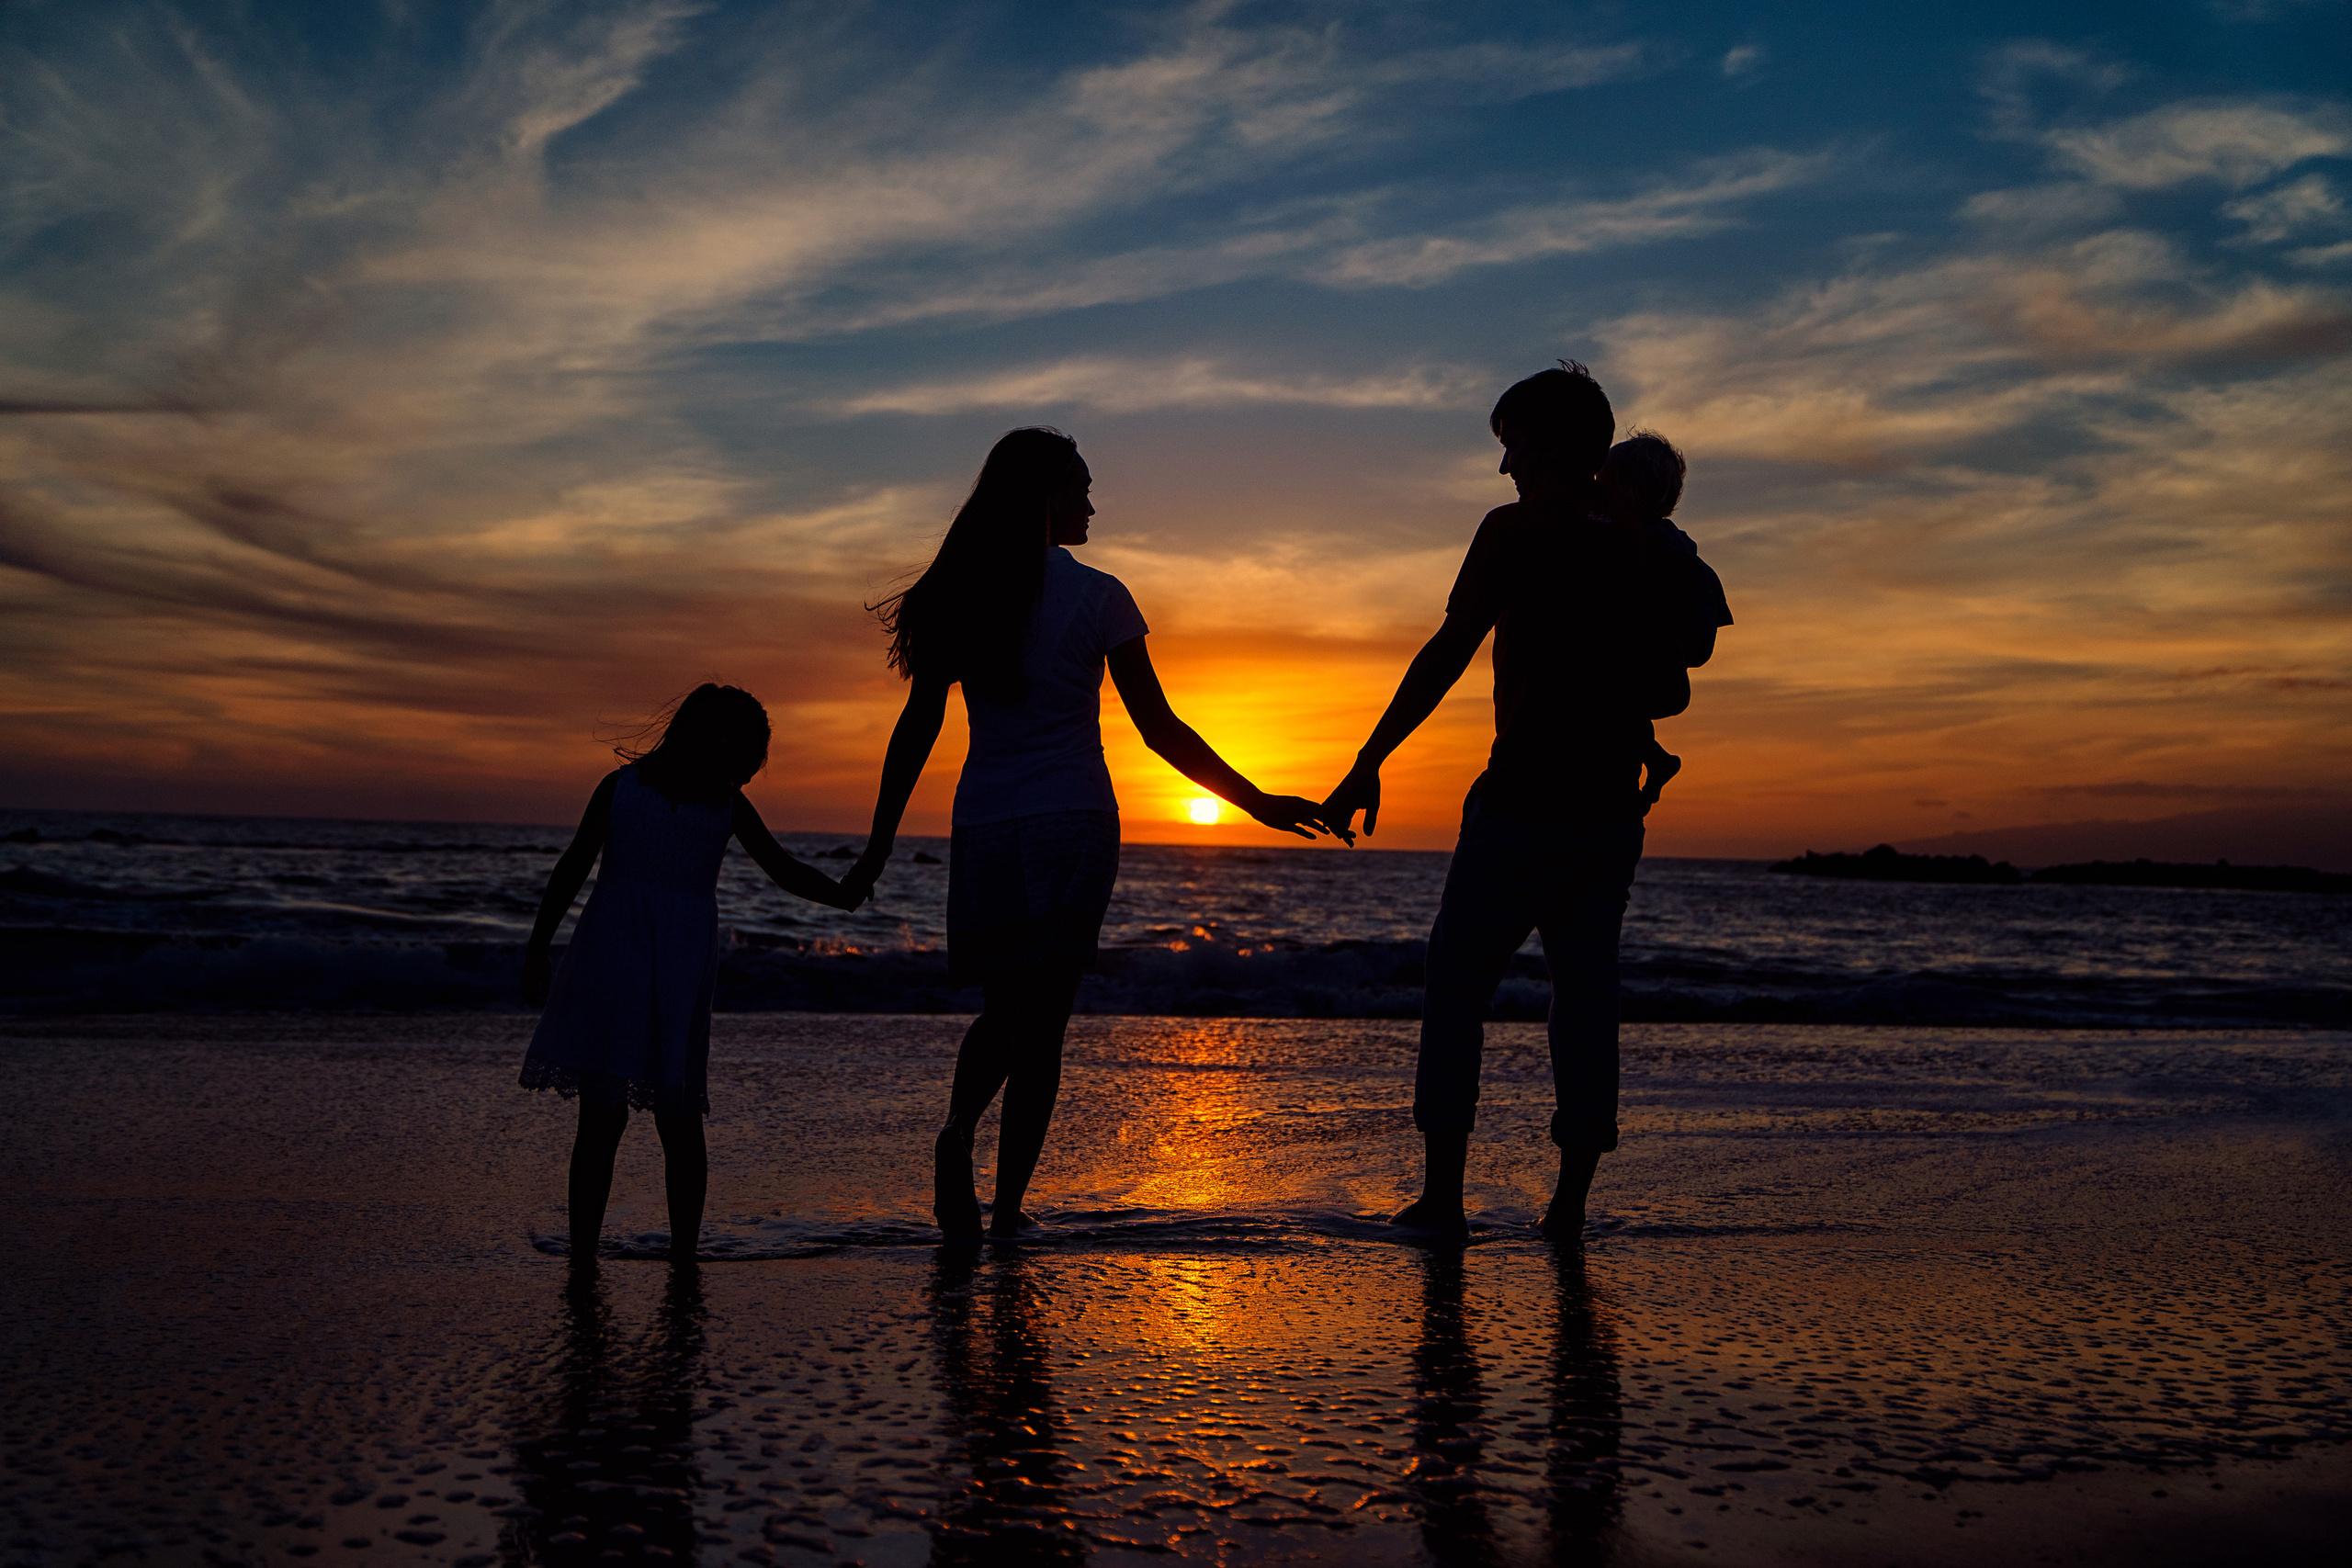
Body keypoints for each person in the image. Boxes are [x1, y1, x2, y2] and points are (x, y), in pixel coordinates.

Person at [843, 425, 1337, 1242]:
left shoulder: (963, 591)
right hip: (1073, 823)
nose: (1092, 501)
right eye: (1079, 486)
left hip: (988, 823)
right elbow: (1159, 729)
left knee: (1004, 1012)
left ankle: (958, 1128)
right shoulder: (1102, 595)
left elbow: (917, 727)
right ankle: (1007, 1212)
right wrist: (1255, 800)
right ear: (1043, 495)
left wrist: (879, 843)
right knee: (1044, 1028)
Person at [1322, 364, 1721, 1242]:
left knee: (1456, 984)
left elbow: (1448, 649)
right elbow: (1669, 678)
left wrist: (1369, 758)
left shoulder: (1515, 529)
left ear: (1554, 443)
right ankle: (1569, 1207)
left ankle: (1444, 1200)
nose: (1505, 466)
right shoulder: (1650, 540)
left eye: (1512, 445)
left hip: (1521, 802)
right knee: (1585, 999)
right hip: (1611, 814)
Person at [518, 682, 859, 1265]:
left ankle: (598, 1256)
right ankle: (673, 1255)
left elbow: (574, 865)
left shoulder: (648, 792)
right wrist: (845, 893)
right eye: (749, 753)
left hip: (621, 954)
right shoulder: (686, 799)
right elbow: (785, 871)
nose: (748, 769)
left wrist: (538, 946)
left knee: (613, 1119)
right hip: (648, 959)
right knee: (661, 1119)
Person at [1590, 430, 1735, 814]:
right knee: (1617, 707)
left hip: (1658, 668)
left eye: (1602, 484)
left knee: (1604, 698)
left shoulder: (1640, 542)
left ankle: (1655, 759)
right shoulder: (1674, 542)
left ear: (1626, 491)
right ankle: (1655, 758)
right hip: (1666, 668)